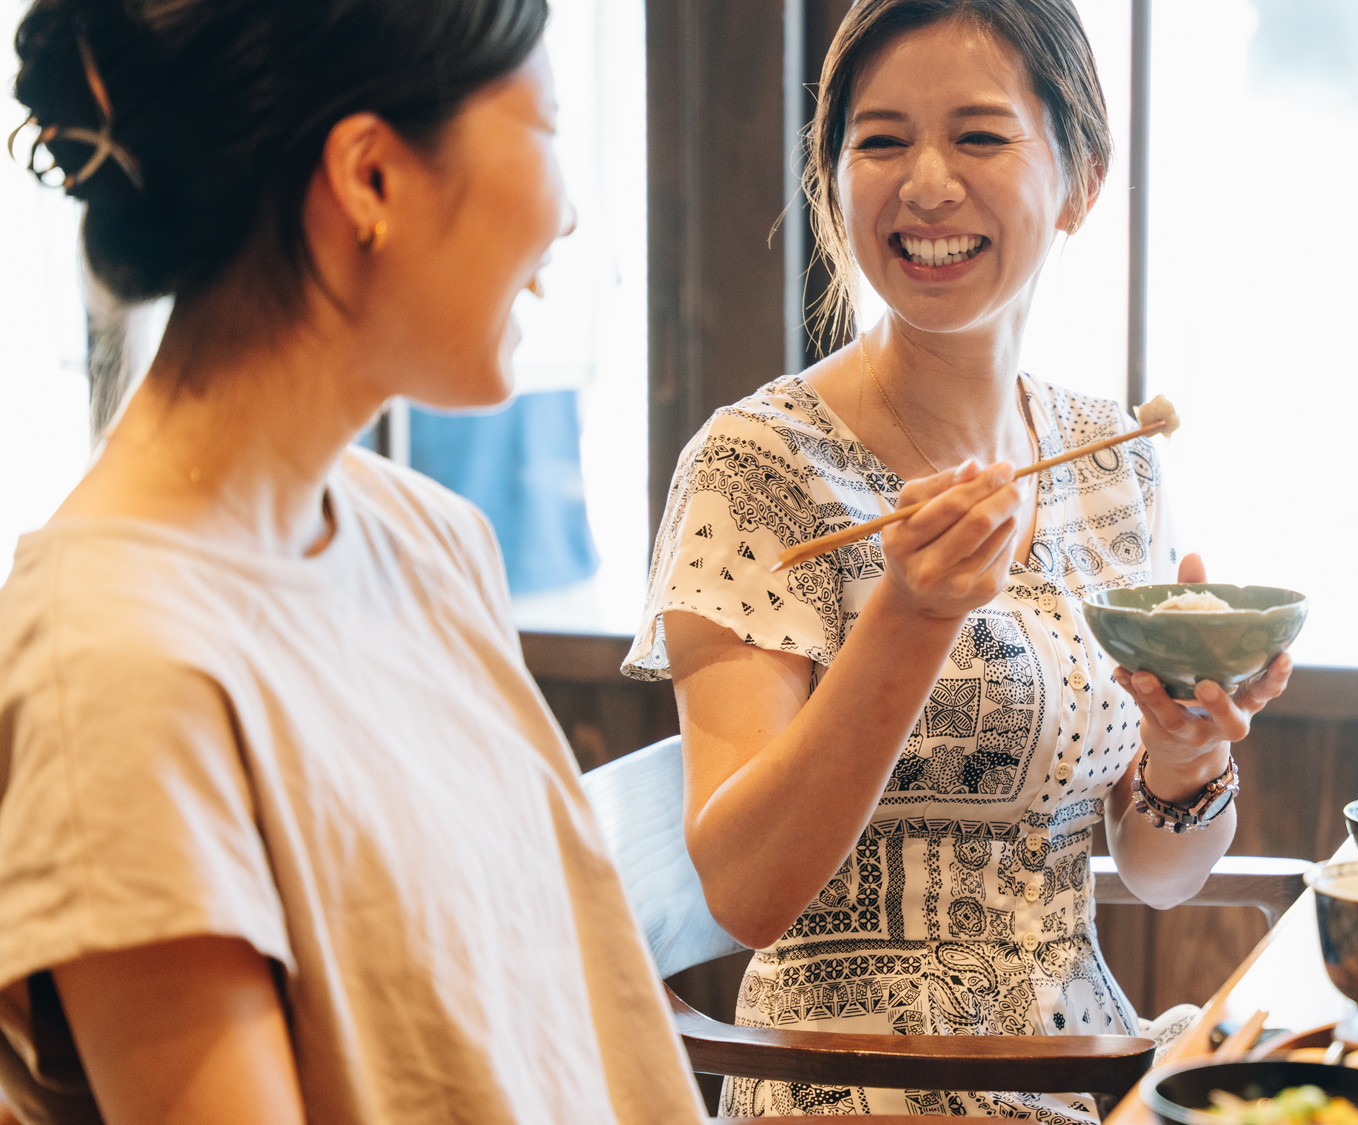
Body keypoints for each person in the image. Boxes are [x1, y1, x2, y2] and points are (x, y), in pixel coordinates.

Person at [0, 2, 705, 1121]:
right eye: (547, 129)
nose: (568, 218)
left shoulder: (431, 542)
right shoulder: (116, 661)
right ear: (371, 178)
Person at [622, 0, 1293, 1117]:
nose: (925, 182)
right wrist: (909, 616)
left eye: (977, 136)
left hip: (1077, 1074)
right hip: (857, 1088)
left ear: (1081, 179)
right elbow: (744, 893)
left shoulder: (1109, 460)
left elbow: (1158, 876)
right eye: (879, 140)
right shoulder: (756, 468)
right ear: (832, 177)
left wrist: (1184, 760)